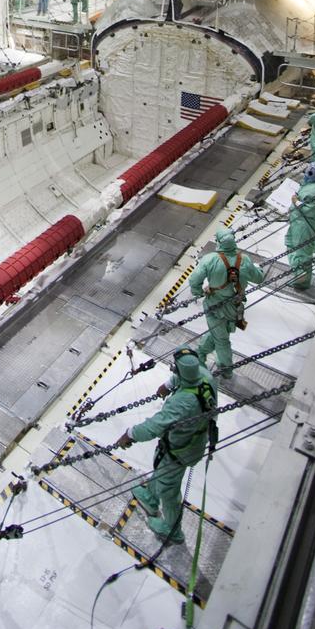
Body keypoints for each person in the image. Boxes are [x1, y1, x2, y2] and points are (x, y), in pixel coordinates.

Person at [114, 349, 217, 544]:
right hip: (184, 441)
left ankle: (172, 530)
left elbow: (153, 427)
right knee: (161, 467)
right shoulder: (205, 376)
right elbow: (187, 376)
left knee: (169, 489)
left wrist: (129, 435)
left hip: (181, 450)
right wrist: (169, 384)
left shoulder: (183, 403)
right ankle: (150, 496)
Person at [188, 227, 264, 377]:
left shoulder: (210, 259)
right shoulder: (245, 260)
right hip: (235, 306)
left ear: (218, 242)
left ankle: (226, 369)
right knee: (219, 331)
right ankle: (201, 351)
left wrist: (198, 292)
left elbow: (194, 280)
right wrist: (258, 269)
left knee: (222, 339)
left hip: (214, 305)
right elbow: (259, 278)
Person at [286, 165, 315, 290]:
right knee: (293, 246)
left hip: (304, 226)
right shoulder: (312, 186)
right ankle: (300, 278)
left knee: (301, 253)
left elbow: (309, 210)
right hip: (298, 223)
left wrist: (295, 202)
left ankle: (301, 278)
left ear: (311, 174)